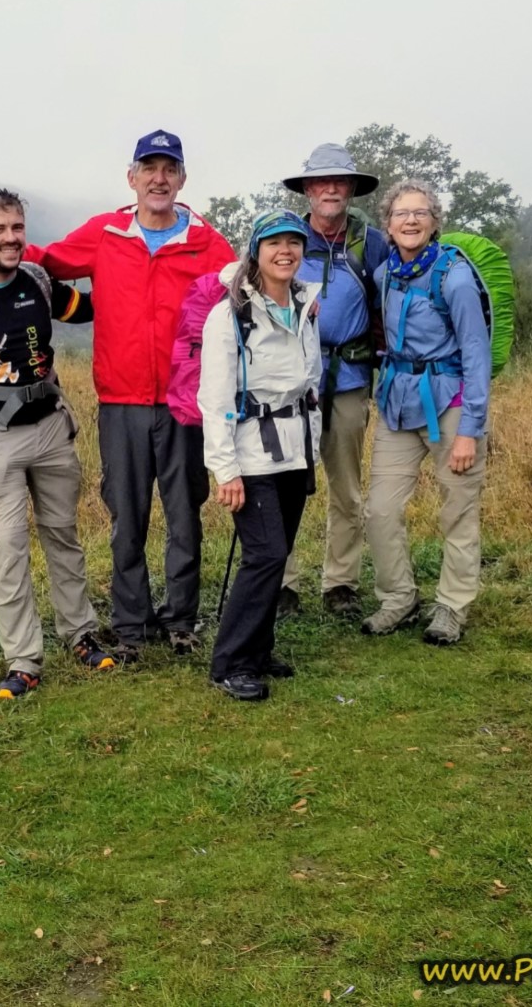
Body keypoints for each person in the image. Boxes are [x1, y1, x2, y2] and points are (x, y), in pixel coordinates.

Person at [24, 130, 237, 662]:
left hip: (185, 403)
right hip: (121, 400)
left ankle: (182, 618)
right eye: (150, 168)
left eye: (169, 169)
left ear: (182, 179)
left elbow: (245, 289)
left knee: (186, 513)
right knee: (127, 516)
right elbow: (49, 260)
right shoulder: (107, 232)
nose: (159, 179)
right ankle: (131, 623)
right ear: (132, 177)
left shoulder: (208, 242)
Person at [0, 189, 116, 699]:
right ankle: (24, 661)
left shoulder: (37, 280)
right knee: (7, 549)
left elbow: (89, 308)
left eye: (17, 228)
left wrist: (140, 272)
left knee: (63, 535)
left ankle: (81, 636)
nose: (10, 238)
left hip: (51, 427)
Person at [197, 210, 322, 700]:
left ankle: (257, 647)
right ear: (256, 251)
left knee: (278, 552)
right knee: (265, 555)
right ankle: (230, 663)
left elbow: (309, 382)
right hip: (252, 455)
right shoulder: (229, 315)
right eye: (274, 243)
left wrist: (314, 446)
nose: (285, 251)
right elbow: (216, 398)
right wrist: (225, 469)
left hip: (296, 450)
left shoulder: (304, 305)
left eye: (294, 242)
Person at [363, 181, 491, 645]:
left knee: (458, 509)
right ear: (388, 224)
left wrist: (470, 431)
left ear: (435, 222)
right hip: (398, 405)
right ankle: (398, 597)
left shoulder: (453, 276)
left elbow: (476, 351)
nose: (411, 220)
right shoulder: (384, 275)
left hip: (451, 406)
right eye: (401, 214)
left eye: (420, 212)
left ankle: (452, 606)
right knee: (379, 509)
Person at [276, 143, 388, 621]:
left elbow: (392, 303)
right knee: (281, 482)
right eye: (321, 182)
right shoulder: (285, 237)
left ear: (350, 189)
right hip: (289, 382)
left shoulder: (372, 242)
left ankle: (339, 583)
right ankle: (280, 584)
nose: (330, 189)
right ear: (306, 189)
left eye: (339, 182)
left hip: (348, 379)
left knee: (346, 486)